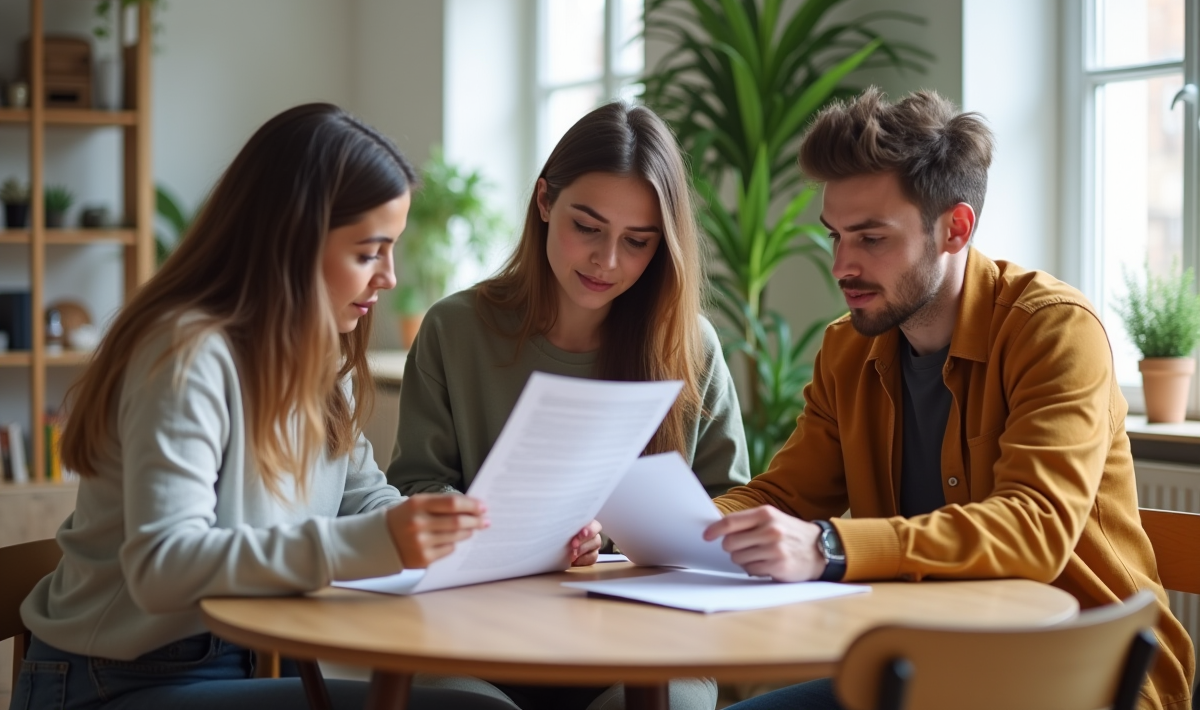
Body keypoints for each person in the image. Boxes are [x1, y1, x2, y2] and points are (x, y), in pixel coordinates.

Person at [14, 104, 518, 710]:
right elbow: (163, 565)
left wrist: (478, 533)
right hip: (114, 682)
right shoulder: (185, 355)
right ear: (292, 242)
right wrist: (377, 541)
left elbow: (364, 500)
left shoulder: (321, 358)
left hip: (231, 662)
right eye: (368, 252)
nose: (387, 277)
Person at [706, 88, 1195, 710]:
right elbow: (783, 497)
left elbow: (1034, 528)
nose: (842, 266)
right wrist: (652, 530)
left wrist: (829, 548)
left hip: (1085, 676)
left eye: (871, 239)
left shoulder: (1052, 330)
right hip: (929, 672)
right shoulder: (848, 350)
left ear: (955, 228)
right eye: (835, 237)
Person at [387, 101, 750, 710]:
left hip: (646, 646)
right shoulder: (455, 329)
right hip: (478, 638)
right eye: (587, 227)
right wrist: (519, 530)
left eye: (637, 242)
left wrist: (611, 543)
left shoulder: (690, 347)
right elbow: (414, 490)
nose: (607, 261)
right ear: (544, 201)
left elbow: (729, 509)